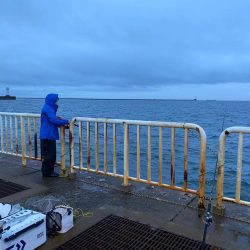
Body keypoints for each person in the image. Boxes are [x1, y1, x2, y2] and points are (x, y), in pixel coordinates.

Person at [40, 93, 69, 177]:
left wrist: (57, 118)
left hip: (47, 135)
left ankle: (47, 172)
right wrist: (65, 121)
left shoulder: (47, 107)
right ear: (52, 101)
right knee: (50, 155)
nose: (57, 103)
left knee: (48, 155)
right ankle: (47, 173)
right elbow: (53, 121)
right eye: (56, 101)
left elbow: (52, 119)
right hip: (48, 135)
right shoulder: (48, 108)